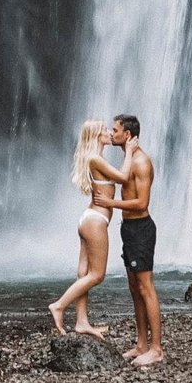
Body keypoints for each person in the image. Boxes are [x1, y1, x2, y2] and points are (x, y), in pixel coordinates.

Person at [97, 113, 162, 366]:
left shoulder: (142, 162)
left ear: (128, 135)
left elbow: (142, 202)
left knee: (146, 287)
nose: (112, 134)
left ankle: (156, 349)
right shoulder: (129, 160)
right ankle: (141, 344)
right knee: (135, 289)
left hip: (142, 229)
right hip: (129, 229)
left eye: (115, 130)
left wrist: (110, 203)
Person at [49, 117, 117, 335]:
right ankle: (59, 305)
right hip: (95, 221)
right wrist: (132, 152)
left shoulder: (92, 158)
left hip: (89, 218)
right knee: (97, 275)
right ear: (97, 136)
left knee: (84, 273)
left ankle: (81, 322)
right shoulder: (96, 159)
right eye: (105, 130)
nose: (109, 132)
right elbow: (124, 177)